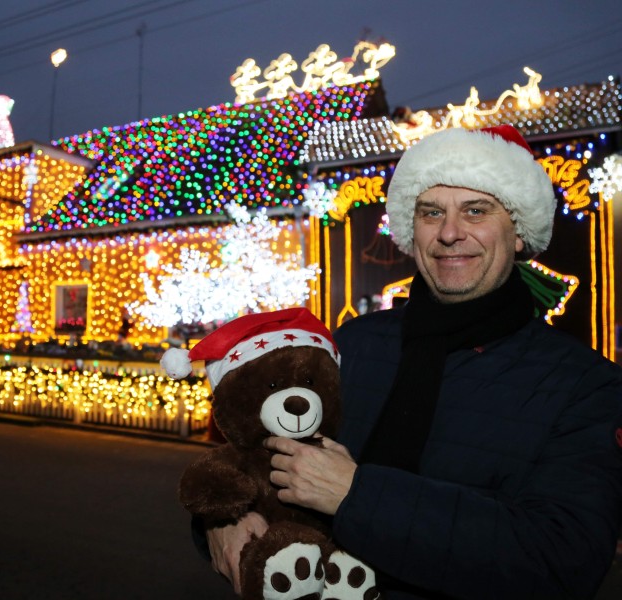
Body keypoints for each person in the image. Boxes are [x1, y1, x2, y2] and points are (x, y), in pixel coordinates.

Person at [203, 125, 622, 599]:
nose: (449, 232)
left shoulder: (586, 385)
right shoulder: (352, 346)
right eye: (431, 212)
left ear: (520, 232)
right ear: (411, 228)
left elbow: (563, 561)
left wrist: (358, 495)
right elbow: (254, 452)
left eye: (476, 210)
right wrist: (225, 519)